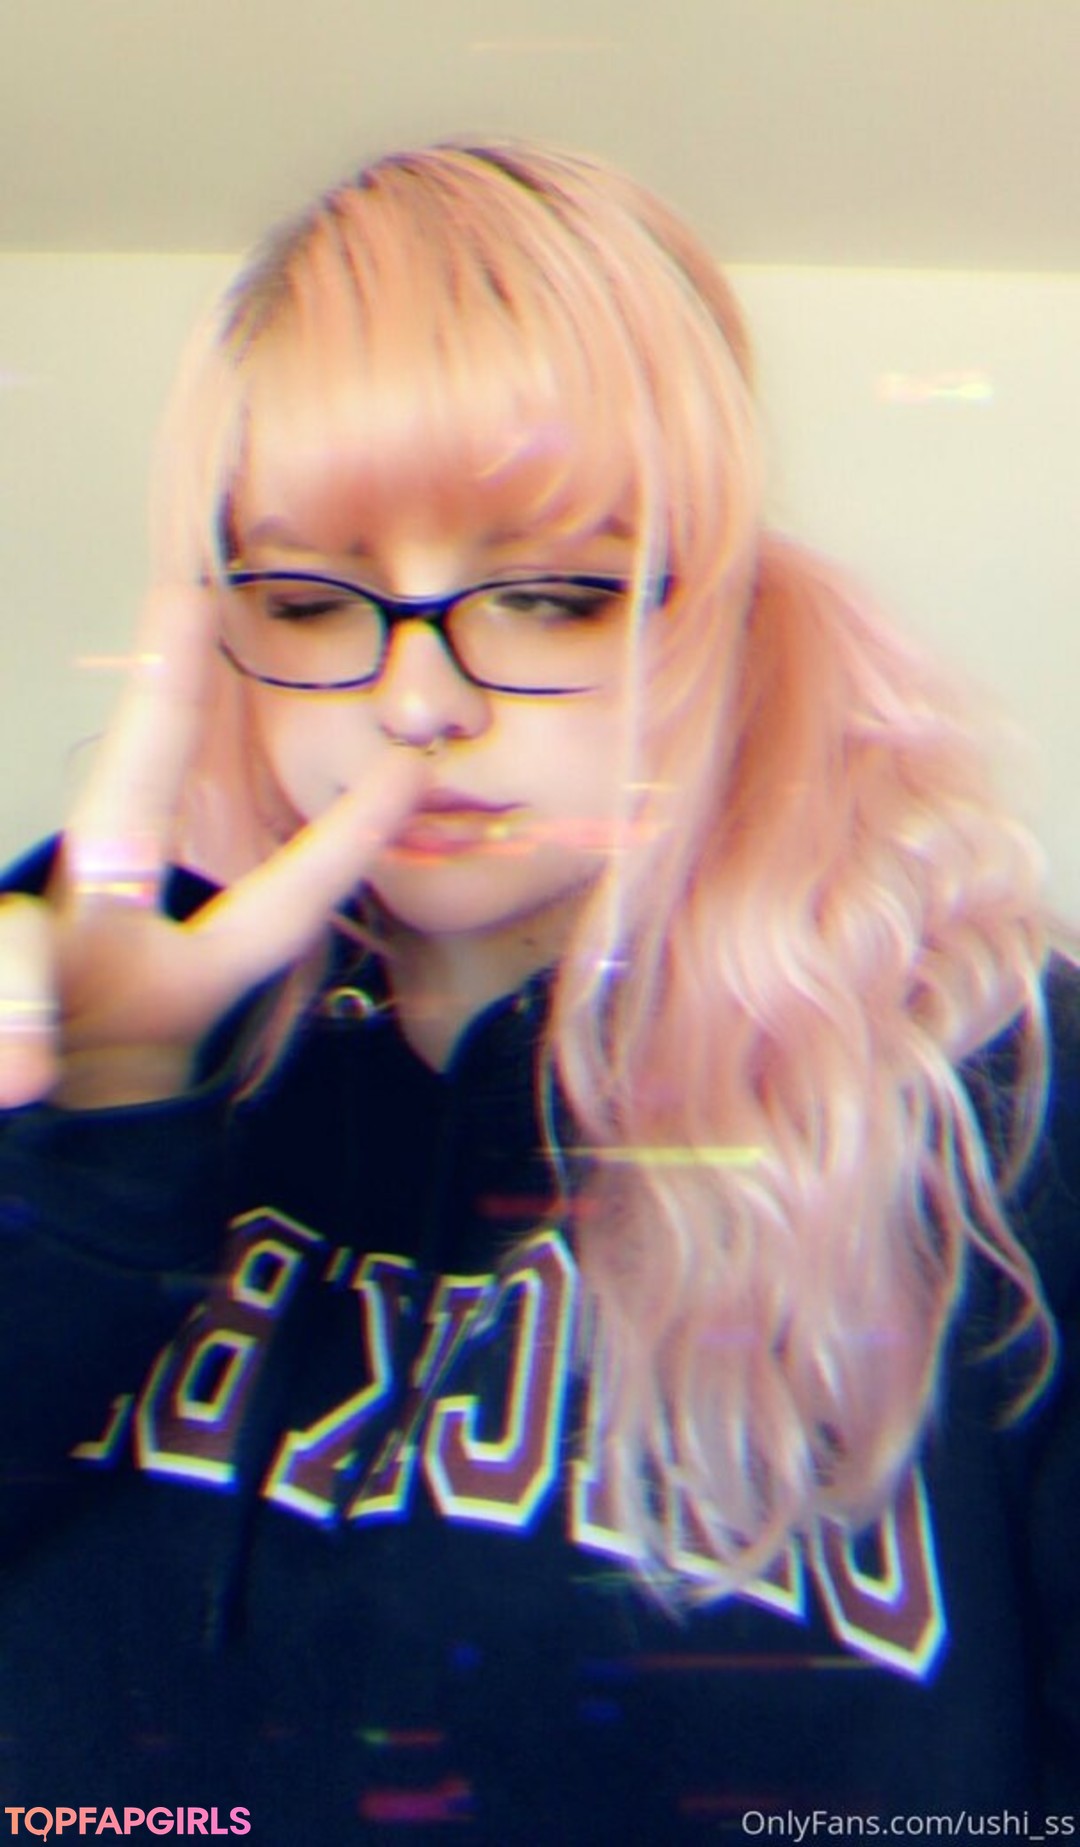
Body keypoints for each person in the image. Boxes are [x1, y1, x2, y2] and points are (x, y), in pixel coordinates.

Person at [0, 140, 1077, 1842]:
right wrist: (101, 1127)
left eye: (552, 596)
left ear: (715, 601)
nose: (419, 704)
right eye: (309, 597)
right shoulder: (78, 1032)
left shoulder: (1001, 1085)